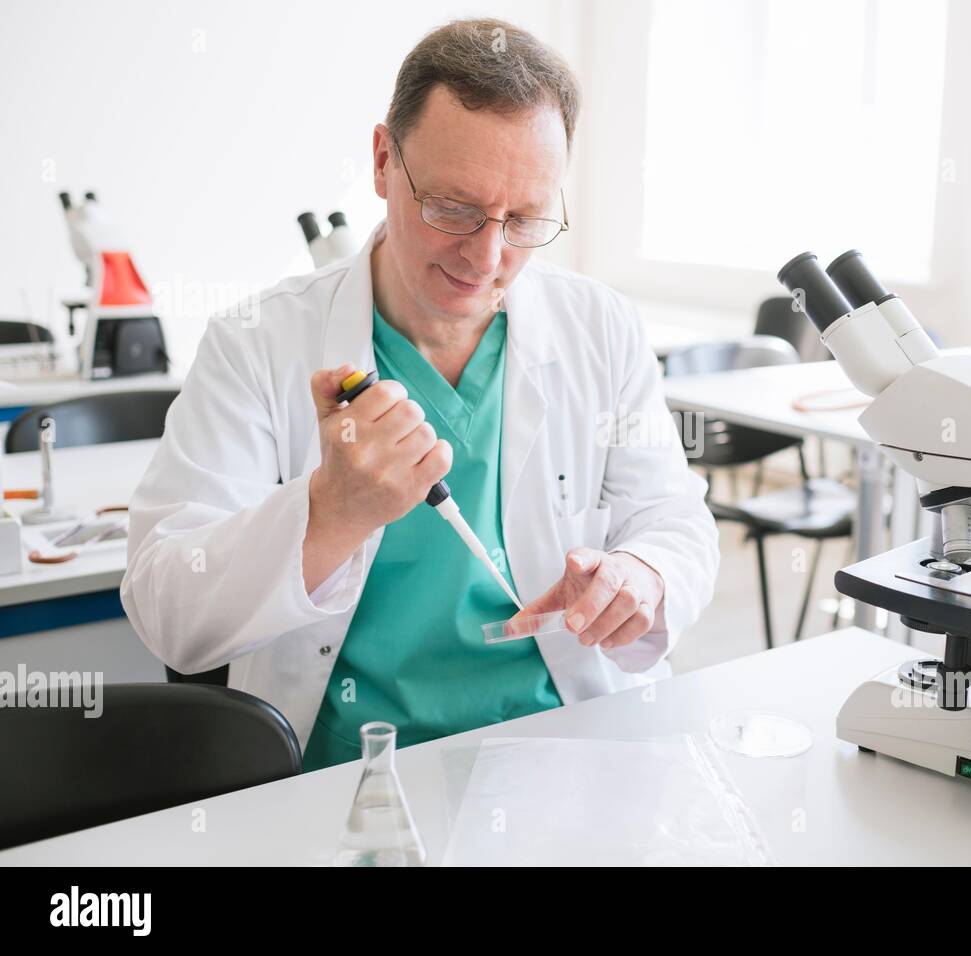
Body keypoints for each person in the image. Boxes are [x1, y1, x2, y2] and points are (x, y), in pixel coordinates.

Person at [121, 18, 718, 767]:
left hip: (566, 743)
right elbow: (167, 610)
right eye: (454, 209)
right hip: (356, 767)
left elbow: (675, 518)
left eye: (526, 219)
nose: (488, 256)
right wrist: (328, 515)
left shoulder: (599, 325)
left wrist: (644, 574)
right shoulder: (256, 342)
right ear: (381, 161)